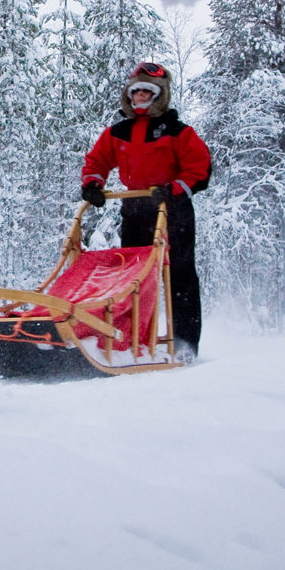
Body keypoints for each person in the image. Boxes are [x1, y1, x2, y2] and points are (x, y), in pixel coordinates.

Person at [80, 61, 212, 357]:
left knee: (179, 277)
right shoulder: (119, 132)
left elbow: (200, 168)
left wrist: (174, 189)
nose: (140, 96)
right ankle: (132, 342)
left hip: (172, 210)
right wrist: (92, 184)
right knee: (135, 277)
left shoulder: (177, 131)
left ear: (158, 95)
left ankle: (185, 344)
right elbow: (97, 160)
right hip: (135, 209)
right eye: (136, 91)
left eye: (146, 91)